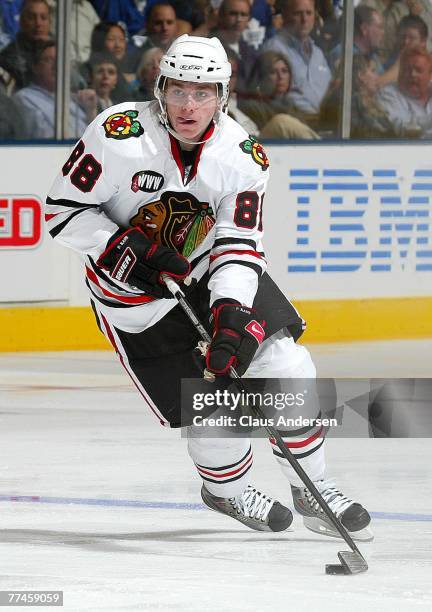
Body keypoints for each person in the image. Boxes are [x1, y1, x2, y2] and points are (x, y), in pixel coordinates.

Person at [45, 34, 372, 539]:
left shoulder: (244, 158)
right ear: (161, 89)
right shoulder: (117, 135)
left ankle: (315, 487)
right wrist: (131, 252)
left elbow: (238, 249)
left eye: (202, 92)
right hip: (136, 300)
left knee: (286, 364)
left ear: (223, 95)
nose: (188, 105)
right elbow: (63, 214)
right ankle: (227, 489)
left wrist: (230, 315)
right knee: (210, 400)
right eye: (179, 90)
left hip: (210, 272)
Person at [13, 40, 97, 139]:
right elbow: (43, 137)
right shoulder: (24, 98)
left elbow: (94, 137)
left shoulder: (72, 99)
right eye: (49, 60)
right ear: (35, 67)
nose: (56, 66)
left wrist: (91, 112)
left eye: (60, 60)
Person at [262, 0, 332, 115]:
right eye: (298, 13)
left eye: (309, 13)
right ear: (285, 15)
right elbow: (276, 98)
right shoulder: (274, 49)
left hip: (326, 122)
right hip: (295, 121)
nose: (304, 20)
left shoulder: (318, 53)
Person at [239, 50, 320, 137]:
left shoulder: (291, 105)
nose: (281, 77)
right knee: (282, 122)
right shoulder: (250, 107)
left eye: (284, 71)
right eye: (273, 72)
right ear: (261, 78)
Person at [377, 45, 432, 137]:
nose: (412, 74)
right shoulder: (387, 94)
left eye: (418, 70)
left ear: (430, 75)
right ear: (400, 72)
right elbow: (402, 128)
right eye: (407, 69)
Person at [0, 0, 51, 91]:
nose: (38, 23)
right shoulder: (8, 57)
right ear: (21, 21)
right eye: (32, 17)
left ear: (49, 22)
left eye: (43, 18)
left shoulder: (56, 51)